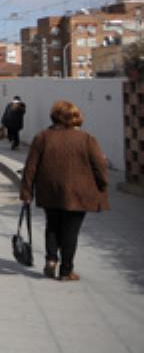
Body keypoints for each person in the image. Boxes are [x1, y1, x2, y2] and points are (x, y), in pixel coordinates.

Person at [19, 101, 109, 281]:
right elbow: (100, 167)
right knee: (71, 231)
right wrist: (102, 184)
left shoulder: (42, 137)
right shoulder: (87, 139)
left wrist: (27, 192)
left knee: (52, 225)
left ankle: (51, 260)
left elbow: (30, 167)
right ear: (75, 117)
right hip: (79, 193)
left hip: (50, 190)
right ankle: (66, 271)